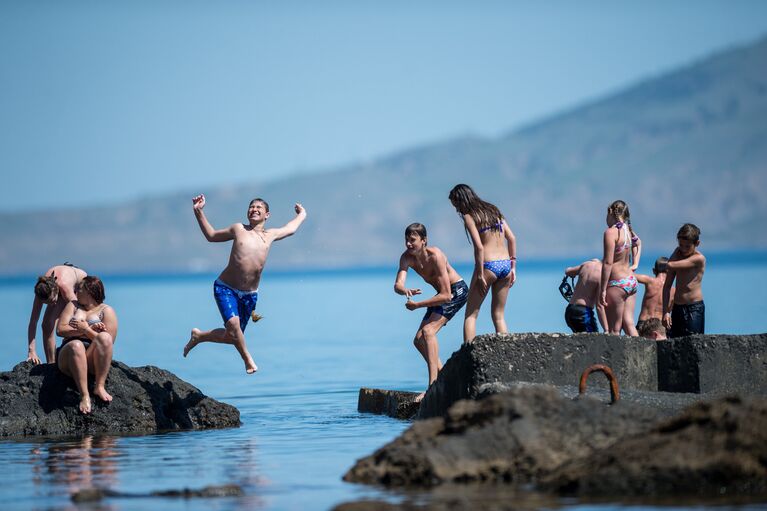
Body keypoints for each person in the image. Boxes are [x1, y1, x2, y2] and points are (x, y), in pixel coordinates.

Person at [183, 194, 307, 373]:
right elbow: (211, 236)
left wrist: (302, 214)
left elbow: (291, 228)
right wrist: (198, 212)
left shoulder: (270, 235)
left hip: (249, 295)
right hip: (225, 288)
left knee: (232, 336)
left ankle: (199, 336)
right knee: (233, 326)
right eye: (251, 206)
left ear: (267, 215)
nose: (254, 209)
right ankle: (248, 360)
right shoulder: (238, 229)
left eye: (259, 208)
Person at [394, 223, 468, 394]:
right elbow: (397, 284)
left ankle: (432, 387)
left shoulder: (436, 256)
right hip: (442, 294)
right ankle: (444, 377)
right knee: (418, 340)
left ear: (424, 240)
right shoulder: (406, 258)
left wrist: (417, 305)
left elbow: (446, 295)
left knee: (428, 332)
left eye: (412, 240)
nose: (408, 244)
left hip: (456, 291)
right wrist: (404, 290)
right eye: (406, 240)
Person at [448, 184, 516, 343]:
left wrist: (479, 274)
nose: (457, 209)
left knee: (471, 315)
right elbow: (512, 238)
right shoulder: (494, 210)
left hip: (488, 266)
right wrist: (513, 268)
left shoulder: (470, 216)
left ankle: (468, 356)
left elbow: (479, 247)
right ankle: (505, 351)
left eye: (456, 204)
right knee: (499, 315)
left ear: (462, 200)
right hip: (505, 265)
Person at [55, 276, 118, 415]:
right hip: (69, 356)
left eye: (80, 288)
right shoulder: (73, 305)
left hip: (90, 358)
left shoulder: (106, 311)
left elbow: (107, 343)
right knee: (76, 345)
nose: (76, 291)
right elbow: (60, 330)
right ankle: (84, 395)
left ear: (89, 291)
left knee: (105, 337)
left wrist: (86, 330)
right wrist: (84, 331)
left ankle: (99, 386)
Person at [27, 263, 87, 364]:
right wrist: (31, 351)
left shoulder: (64, 287)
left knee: (73, 320)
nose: (52, 304)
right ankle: (51, 364)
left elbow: (79, 311)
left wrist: (69, 334)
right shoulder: (40, 292)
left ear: (56, 290)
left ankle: (79, 355)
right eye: (47, 303)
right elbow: (33, 321)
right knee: (46, 325)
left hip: (81, 282)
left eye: (52, 300)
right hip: (59, 286)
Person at [599, 200, 639, 334]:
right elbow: (638, 243)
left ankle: (617, 356)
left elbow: (608, 263)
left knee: (614, 330)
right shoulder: (628, 230)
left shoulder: (611, 232)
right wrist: (636, 263)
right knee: (629, 324)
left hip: (617, 283)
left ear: (610, 212)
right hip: (631, 281)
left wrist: (603, 289)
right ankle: (642, 353)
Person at [662, 223, 706, 337]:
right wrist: (666, 312)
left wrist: (670, 261)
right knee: (675, 344)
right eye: (681, 245)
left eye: (687, 246)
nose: (683, 249)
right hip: (677, 307)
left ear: (697, 244)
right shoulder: (677, 254)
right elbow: (667, 287)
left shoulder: (699, 259)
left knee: (693, 345)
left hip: (694, 308)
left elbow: (672, 265)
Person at [563, 259, 607, 333]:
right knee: (593, 339)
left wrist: (574, 274)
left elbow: (568, 271)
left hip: (570, 310)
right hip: (583, 313)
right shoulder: (602, 275)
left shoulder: (587, 265)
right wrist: (606, 329)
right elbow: (599, 306)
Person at [635, 257, 673, 333]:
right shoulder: (674, 291)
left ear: (654, 271)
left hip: (644, 322)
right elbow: (670, 310)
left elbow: (628, 275)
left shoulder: (649, 281)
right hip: (660, 325)